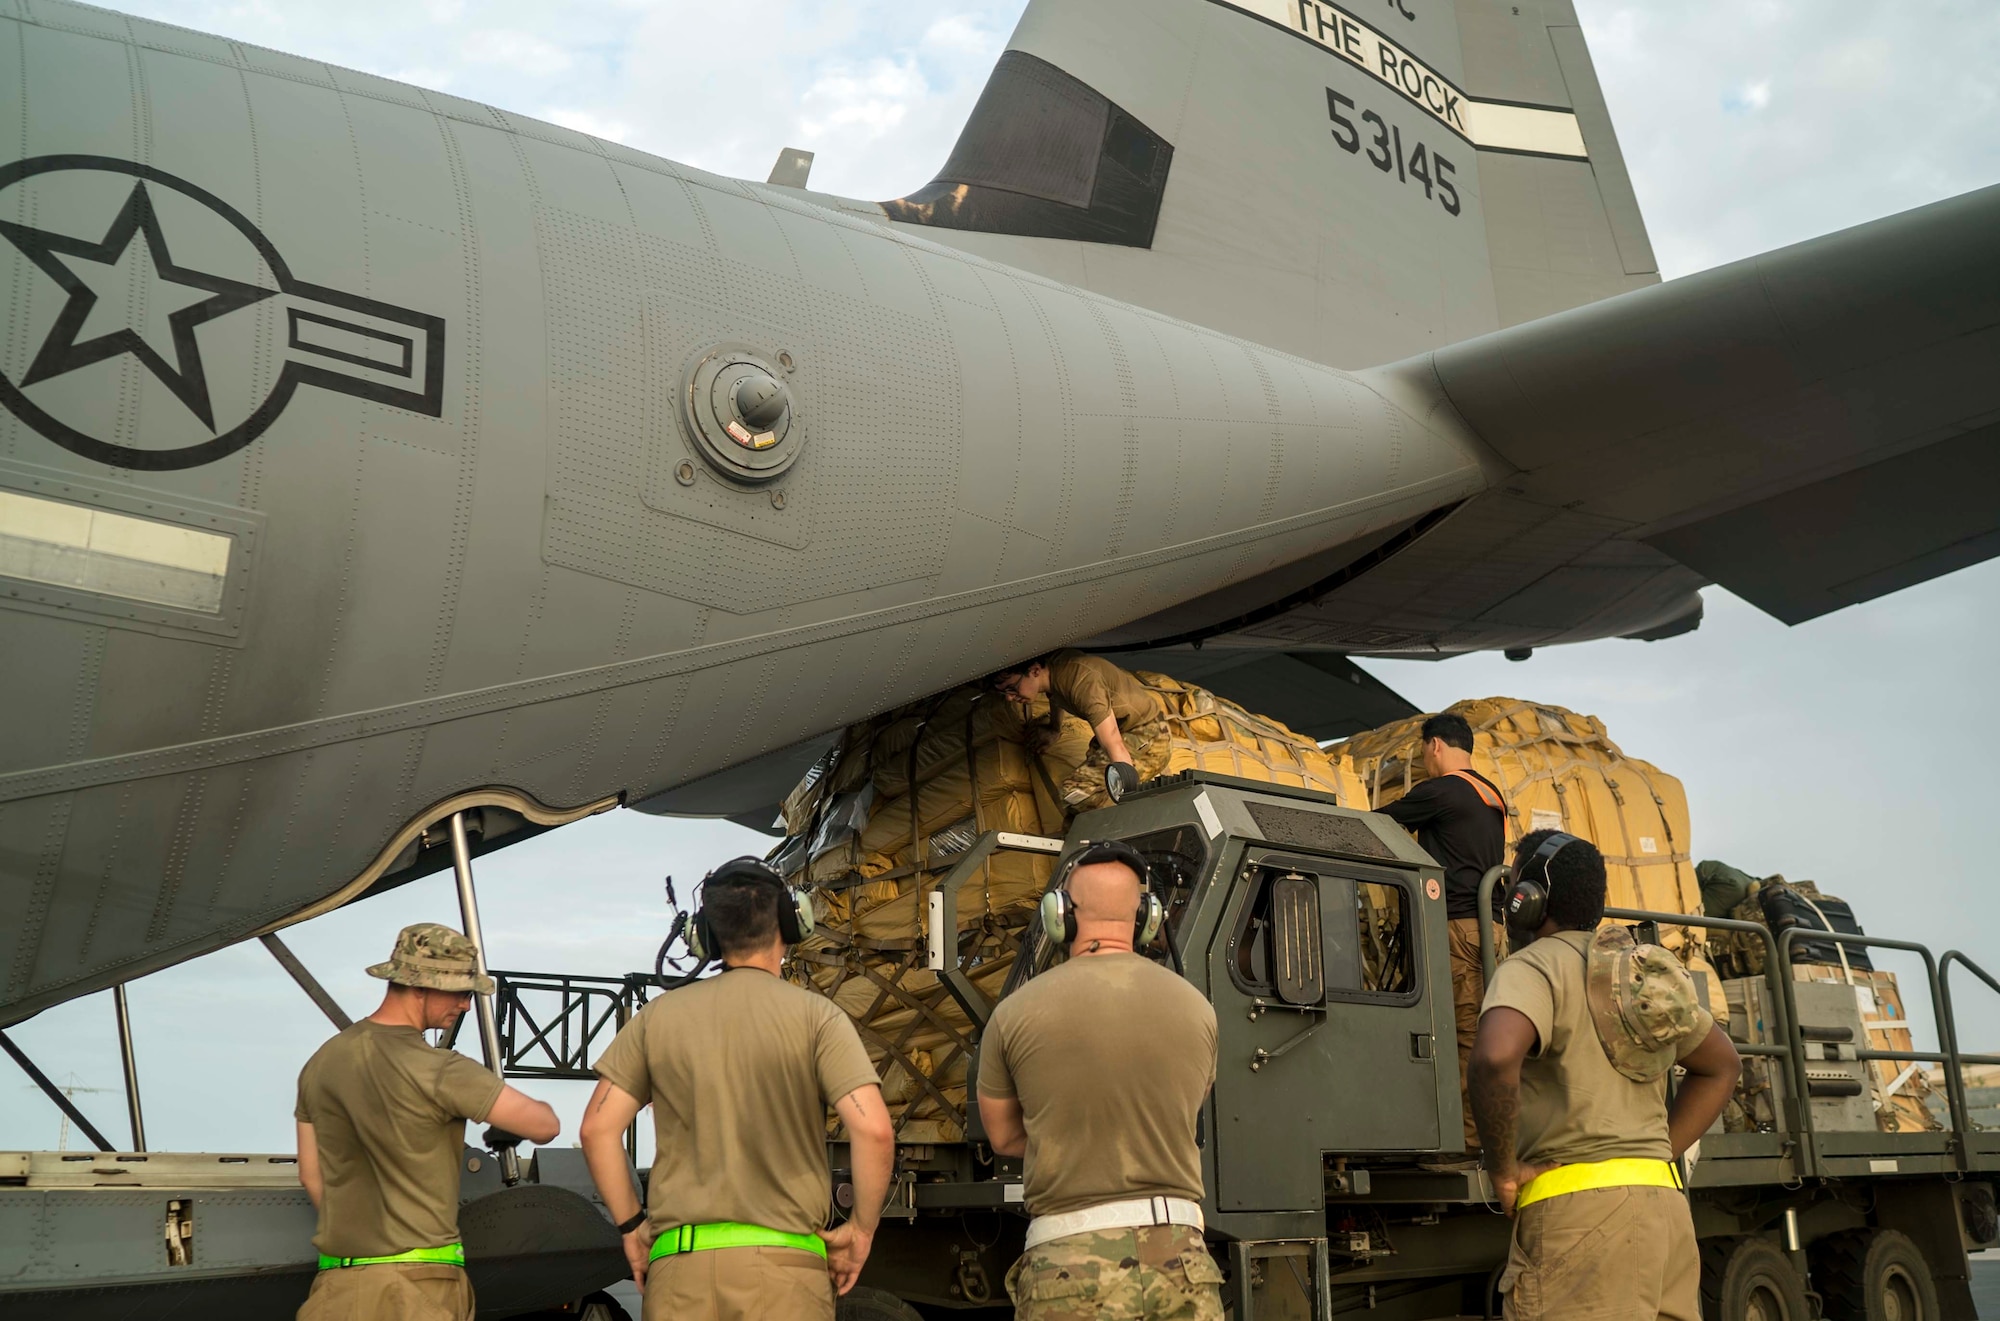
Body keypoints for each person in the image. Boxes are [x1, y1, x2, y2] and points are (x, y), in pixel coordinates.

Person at [579, 858, 894, 1321]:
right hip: (785, 1275)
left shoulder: (657, 1019)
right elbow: (875, 1132)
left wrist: (632, 1229)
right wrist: (861, 1230)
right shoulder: (817, 1017)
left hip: (678, 1273)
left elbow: (596, 1130)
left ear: (705, 936)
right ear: (790, 924)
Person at [1469, 831, 1741, 1321]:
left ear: (1527, 901)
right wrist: (1657, 1152)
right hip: (1666, 1213)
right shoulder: (1637, 974)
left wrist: (1504, 1168)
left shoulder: (1532, 967)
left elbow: (1494, 1057)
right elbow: (1723, 1066)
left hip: (1578, 1221)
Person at [978, 841, 1225, 1320]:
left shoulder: (1013, 1014)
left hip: (1068, 1265)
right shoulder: (1199, 1010)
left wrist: (1070, 1129)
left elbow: (1005, 1136)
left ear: (1061, 916)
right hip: (1182, 1262)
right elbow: (1183, 1109)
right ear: (1147, 918)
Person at [294, 923, 561, 1321]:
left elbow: (311, 1175)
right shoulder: (441, 1070)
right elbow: (544, 1125)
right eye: (461, 991)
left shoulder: (320, 1063)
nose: (467, 1005)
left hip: (335, 1290)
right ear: (420, 986)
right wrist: (506, 1123)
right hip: (418, 1291)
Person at [1378, 711, 1507, 1155]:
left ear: (1435, 746)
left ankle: (1466, 1143)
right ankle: (1481, 1134)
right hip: (1490, 929)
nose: (1424, 762)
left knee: (1461, 1035)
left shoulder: (1440, 791)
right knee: (1485, 1032)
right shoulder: (1489, 793)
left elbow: (1377, 824)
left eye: (1423, 753)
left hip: (1457, 929)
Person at [989, 650, 1169, 807]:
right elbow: (1056, 695)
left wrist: (1127, 792)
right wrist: (1054, 728)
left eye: (1012, 688)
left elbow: (1114, 742)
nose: (1009, 698)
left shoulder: (1082, 685)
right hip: (1126, 731)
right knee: (1078, 797)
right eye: (1004, 692)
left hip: (1148, 734)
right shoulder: (1053, 670)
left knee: (1075, 794)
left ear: (1035, 670)